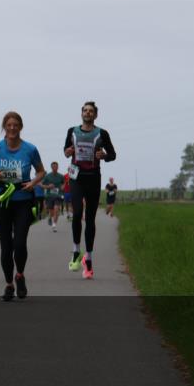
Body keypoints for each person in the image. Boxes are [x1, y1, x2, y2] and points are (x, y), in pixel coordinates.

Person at [0, 112, 45, 302]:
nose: (12, 128)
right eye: (8, 125)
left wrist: (33, 183)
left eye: (15, 125)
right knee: (6, 245)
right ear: (4, 126)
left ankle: (20, 275)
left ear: (20, 127)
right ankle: (9, 283)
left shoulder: (30, 149)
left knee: (19, 242)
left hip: (23, 198)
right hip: (1, 199)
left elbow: (41, 171)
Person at [63, 101, 117, 279]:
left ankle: (89, 258)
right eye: (85, 110)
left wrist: (104, 156)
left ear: (95, 115)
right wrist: (68, 151)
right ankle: (76, 251)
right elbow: (65, 151)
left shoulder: (102, 133)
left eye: (91, 111)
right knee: (77, 213)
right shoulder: (72, 131)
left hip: (93, 178)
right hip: (76, 177)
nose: (87, 113)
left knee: (91, 219)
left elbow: (113, 155)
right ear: (81, 114)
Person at [42, 161, 65, 232]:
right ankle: (50, 217)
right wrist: (48, 186)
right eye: (53, 166)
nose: (55, 168)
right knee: (52, 211)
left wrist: (62, 187)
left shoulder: (61, 176)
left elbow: (63, 183)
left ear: (58, 167)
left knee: (56, 209)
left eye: (56, 166)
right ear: (51, 167)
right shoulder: (47, 176)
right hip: (50, 196)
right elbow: (41, 185)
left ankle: (54, 225)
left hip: (58, 195)